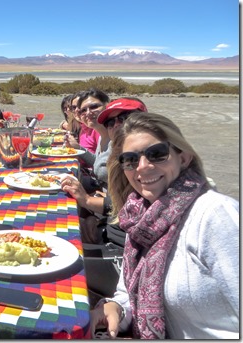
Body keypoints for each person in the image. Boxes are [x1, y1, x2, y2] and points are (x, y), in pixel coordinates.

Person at [90, 112, 239, 339]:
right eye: (130, 160)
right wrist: (116, 307)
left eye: (157, 154)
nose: (142, 166)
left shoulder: (214, 215)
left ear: (184, 157)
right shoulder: (139, 217)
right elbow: (129, 294)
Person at [61, 97, 148, 244]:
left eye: (125, 118)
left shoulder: (147, 160)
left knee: (63, 225)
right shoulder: (120, 154)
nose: (117, 125)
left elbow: (136, 207)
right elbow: (125, 201)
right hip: (114, 226)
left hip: (120, 241)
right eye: (110, 122)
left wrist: (88, 201)